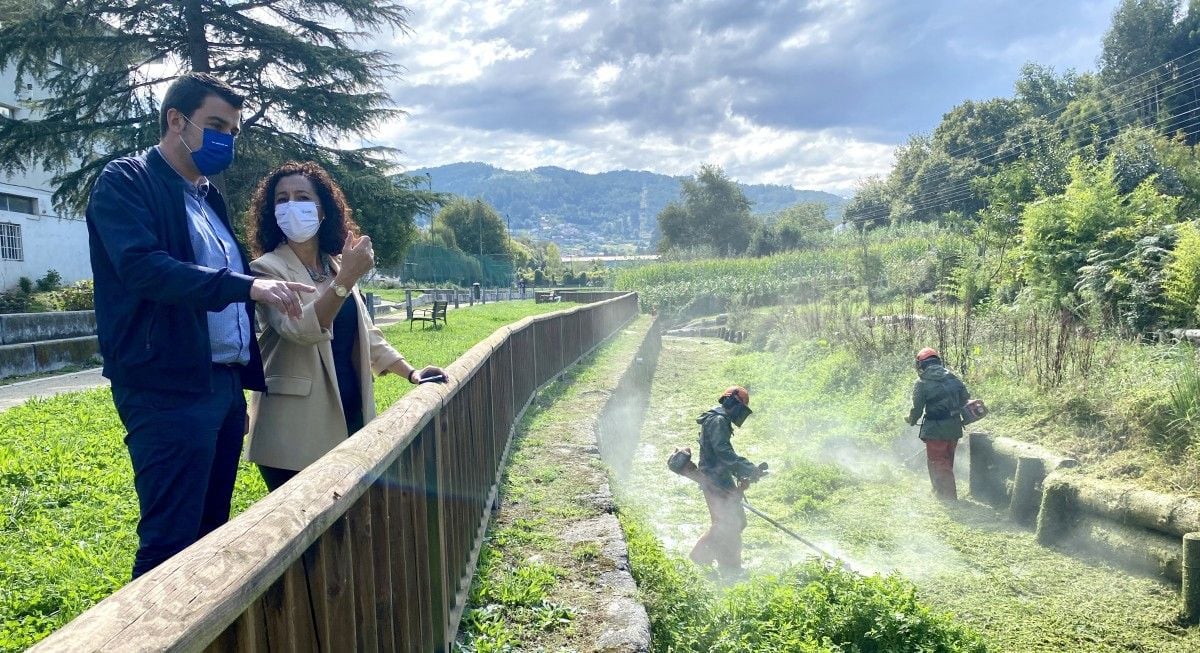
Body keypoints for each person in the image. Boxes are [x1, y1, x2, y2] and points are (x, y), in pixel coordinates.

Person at [86, 73, 315, 578]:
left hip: (222, 386)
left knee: (212, 531)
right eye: (215, 125)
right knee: (169, 539)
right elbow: (145, 269)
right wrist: (248, 286)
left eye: (233, 130)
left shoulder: (209, 199)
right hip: (165, 386)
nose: (226, 139)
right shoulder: (127, 182)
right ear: (176, 121)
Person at [243, 161, 447, 490]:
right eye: (282, 200)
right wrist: (345, 280)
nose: (291, 206)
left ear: (323, 211)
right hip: (293, 434)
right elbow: (301, 330)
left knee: (348, 530)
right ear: (272, 212)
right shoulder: (266, 269)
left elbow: (367, 335)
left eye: (302, 197)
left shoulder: (337, 264)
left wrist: (411, 372)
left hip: (350, 415)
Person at [689, 386, 766, 579]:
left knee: (735, 521)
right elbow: (723, 453)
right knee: (725, 523)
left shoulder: (718, 418)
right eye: (740, 407)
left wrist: (741, 471)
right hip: (714, 481)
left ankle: (727, 564)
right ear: (731, 402)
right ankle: (700, 558)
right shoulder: (718, 420)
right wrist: (747, 468)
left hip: (718, 477)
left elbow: (722, 455)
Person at [907, 347, 971, 501]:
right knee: (946, 461)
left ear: (921, 365)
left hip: (936, 429)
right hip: (954, 427)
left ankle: (948, 498)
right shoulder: (953, 378)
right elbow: (966, 398)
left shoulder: (921, 382)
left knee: (938, 462)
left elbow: (917, 408)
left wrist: (911, 419)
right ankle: (938, 491)